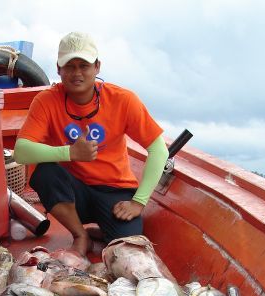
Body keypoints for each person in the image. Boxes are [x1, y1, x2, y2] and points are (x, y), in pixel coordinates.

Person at [13, 31, 169, 257]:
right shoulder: (46, 101)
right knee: (44, 172)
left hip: (115, 191)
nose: (77, 73)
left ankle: (104, 232)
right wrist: (71, 152)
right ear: (58, 69)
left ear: (97, 67)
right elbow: (21, 152)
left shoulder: (123, 100)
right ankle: (80, 235)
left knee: (126, 247)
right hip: (74, 193)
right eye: (70, 66)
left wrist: (139, 202)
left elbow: (158, 150)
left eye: (84, 65)